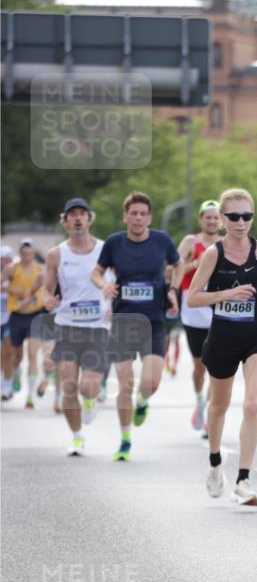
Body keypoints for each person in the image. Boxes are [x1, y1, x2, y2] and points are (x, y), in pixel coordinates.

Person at [187, 188, 257, 504]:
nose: (241, 222)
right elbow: (193, 296)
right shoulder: (213, 254)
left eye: (247, 216)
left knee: (253, 402)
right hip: (223, 339)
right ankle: (215, 462)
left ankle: (243, 480)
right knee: (219, 405)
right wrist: (225, 295)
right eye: (234, 217)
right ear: (224, 219)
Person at [91, 191, 184, 461]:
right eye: (133, 213)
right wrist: (105, 285)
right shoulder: (114, 243)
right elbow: (95, 272)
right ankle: (125, 440)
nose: (138, 218)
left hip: (153, 321)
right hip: (122, 321)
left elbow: (179, 265)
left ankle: (143, 403)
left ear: (150, 217)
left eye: (143, 213)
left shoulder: (162, 241)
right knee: (125, 383)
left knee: (151, 382)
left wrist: (173, 290)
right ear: (125, 216)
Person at [43, 198, 110, 456]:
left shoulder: (105, 250)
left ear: (89, 219)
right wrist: (46, 299)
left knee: (87, 387)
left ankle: (91, 400)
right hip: (67, 326)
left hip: (97, 327)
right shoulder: (56, 254)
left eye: (82, 214)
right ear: (66, 221)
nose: (78, 218)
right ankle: (77, 436)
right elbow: (46, 289)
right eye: (73, 215)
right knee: (68, 387)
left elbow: (114, 281)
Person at [177, 200, 220, 432]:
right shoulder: (190, 242)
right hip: (193, 308)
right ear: (200, 219)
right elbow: (173, 270)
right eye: (208, 217)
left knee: (217, 365)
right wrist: (196, 262)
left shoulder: (226, 243)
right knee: (200, 366)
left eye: (216, 217)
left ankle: (210, 412)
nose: (212, 221)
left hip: (218, 308)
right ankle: (199, 400)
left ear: (221, 220)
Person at [2, 239, 46, 408]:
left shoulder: (40, 270)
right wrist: (10, 289)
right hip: (16, 316)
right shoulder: (12, 269)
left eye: (30, 254)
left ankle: (30, 396)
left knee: (33, 354)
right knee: (16, 356)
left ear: (34, 254)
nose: (27, 257)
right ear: (20, 253)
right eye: (24, 253)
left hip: (35, 315)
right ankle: (16, 373)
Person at [1, 245, 15, 401]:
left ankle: (7, 385)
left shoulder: (15, 274)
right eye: (4, 259)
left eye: (9, 259)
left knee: (9, 353)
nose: (6, 262)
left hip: (10, 319)